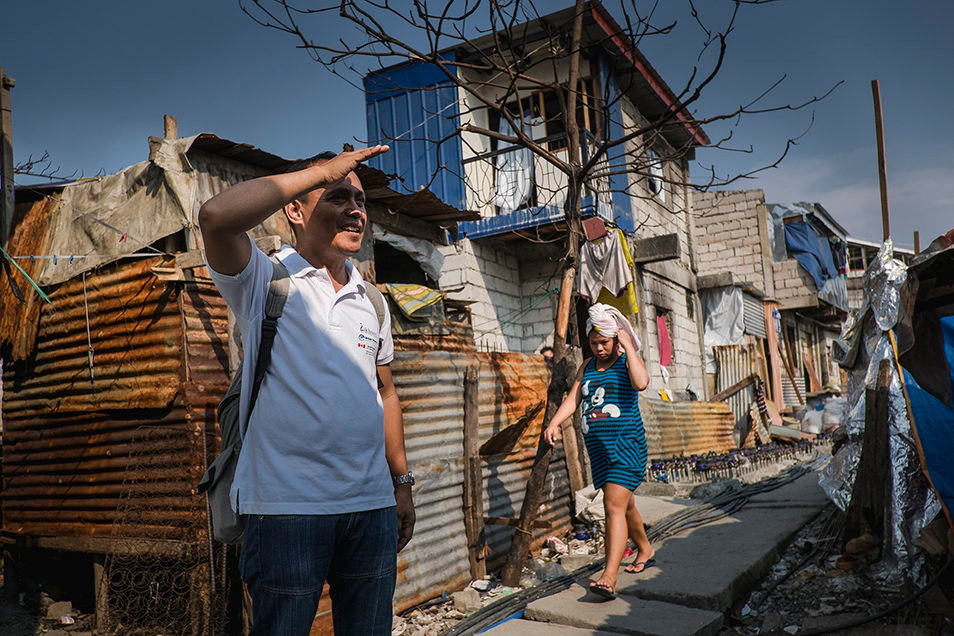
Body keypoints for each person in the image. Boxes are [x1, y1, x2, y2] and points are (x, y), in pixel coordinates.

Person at [198, 145, 415, 635]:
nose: (356, 210)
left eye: (360, 200)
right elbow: (214, 218)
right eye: (338, 196)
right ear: (295, 210)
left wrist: (400, 486)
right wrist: (318, 172)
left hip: (370, 508)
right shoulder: (266, 280)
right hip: (286, 513)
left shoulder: (372, 301)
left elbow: (386, 394)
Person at [543, 303, 654, 601]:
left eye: (603, 342)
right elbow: (574, 399)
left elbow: (642, 382)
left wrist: (628, 346)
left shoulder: (624, 361)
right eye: (593, 343)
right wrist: (554, 422)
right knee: (625, 505)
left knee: (613, 506)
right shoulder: (587, 366)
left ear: (615, 339)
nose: (598, 348)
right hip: (600, 452)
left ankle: (608, 577)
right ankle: (645, 548)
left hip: (626, 446)